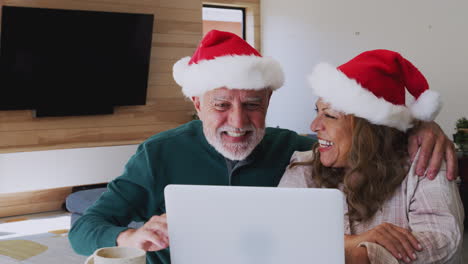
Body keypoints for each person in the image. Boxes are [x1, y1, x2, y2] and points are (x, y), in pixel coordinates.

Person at [69, 31, 457, 264]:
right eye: (221, 105)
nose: (238, 123)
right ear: (196, 104)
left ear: (268, 103)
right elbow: (85, 228)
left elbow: (358, 141)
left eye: (252, 105)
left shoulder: (296, 150)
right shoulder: (157, 154)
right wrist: (128, 238)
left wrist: (419, 125)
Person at [279, 50, 464, 264]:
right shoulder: (302, 167)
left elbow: (442, 239)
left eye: (329, 115)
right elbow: (282, 237)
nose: (314, 126)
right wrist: (356, 244)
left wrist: (359, 254)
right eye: (317, 111)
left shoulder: (423, 165)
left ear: (369, 130)